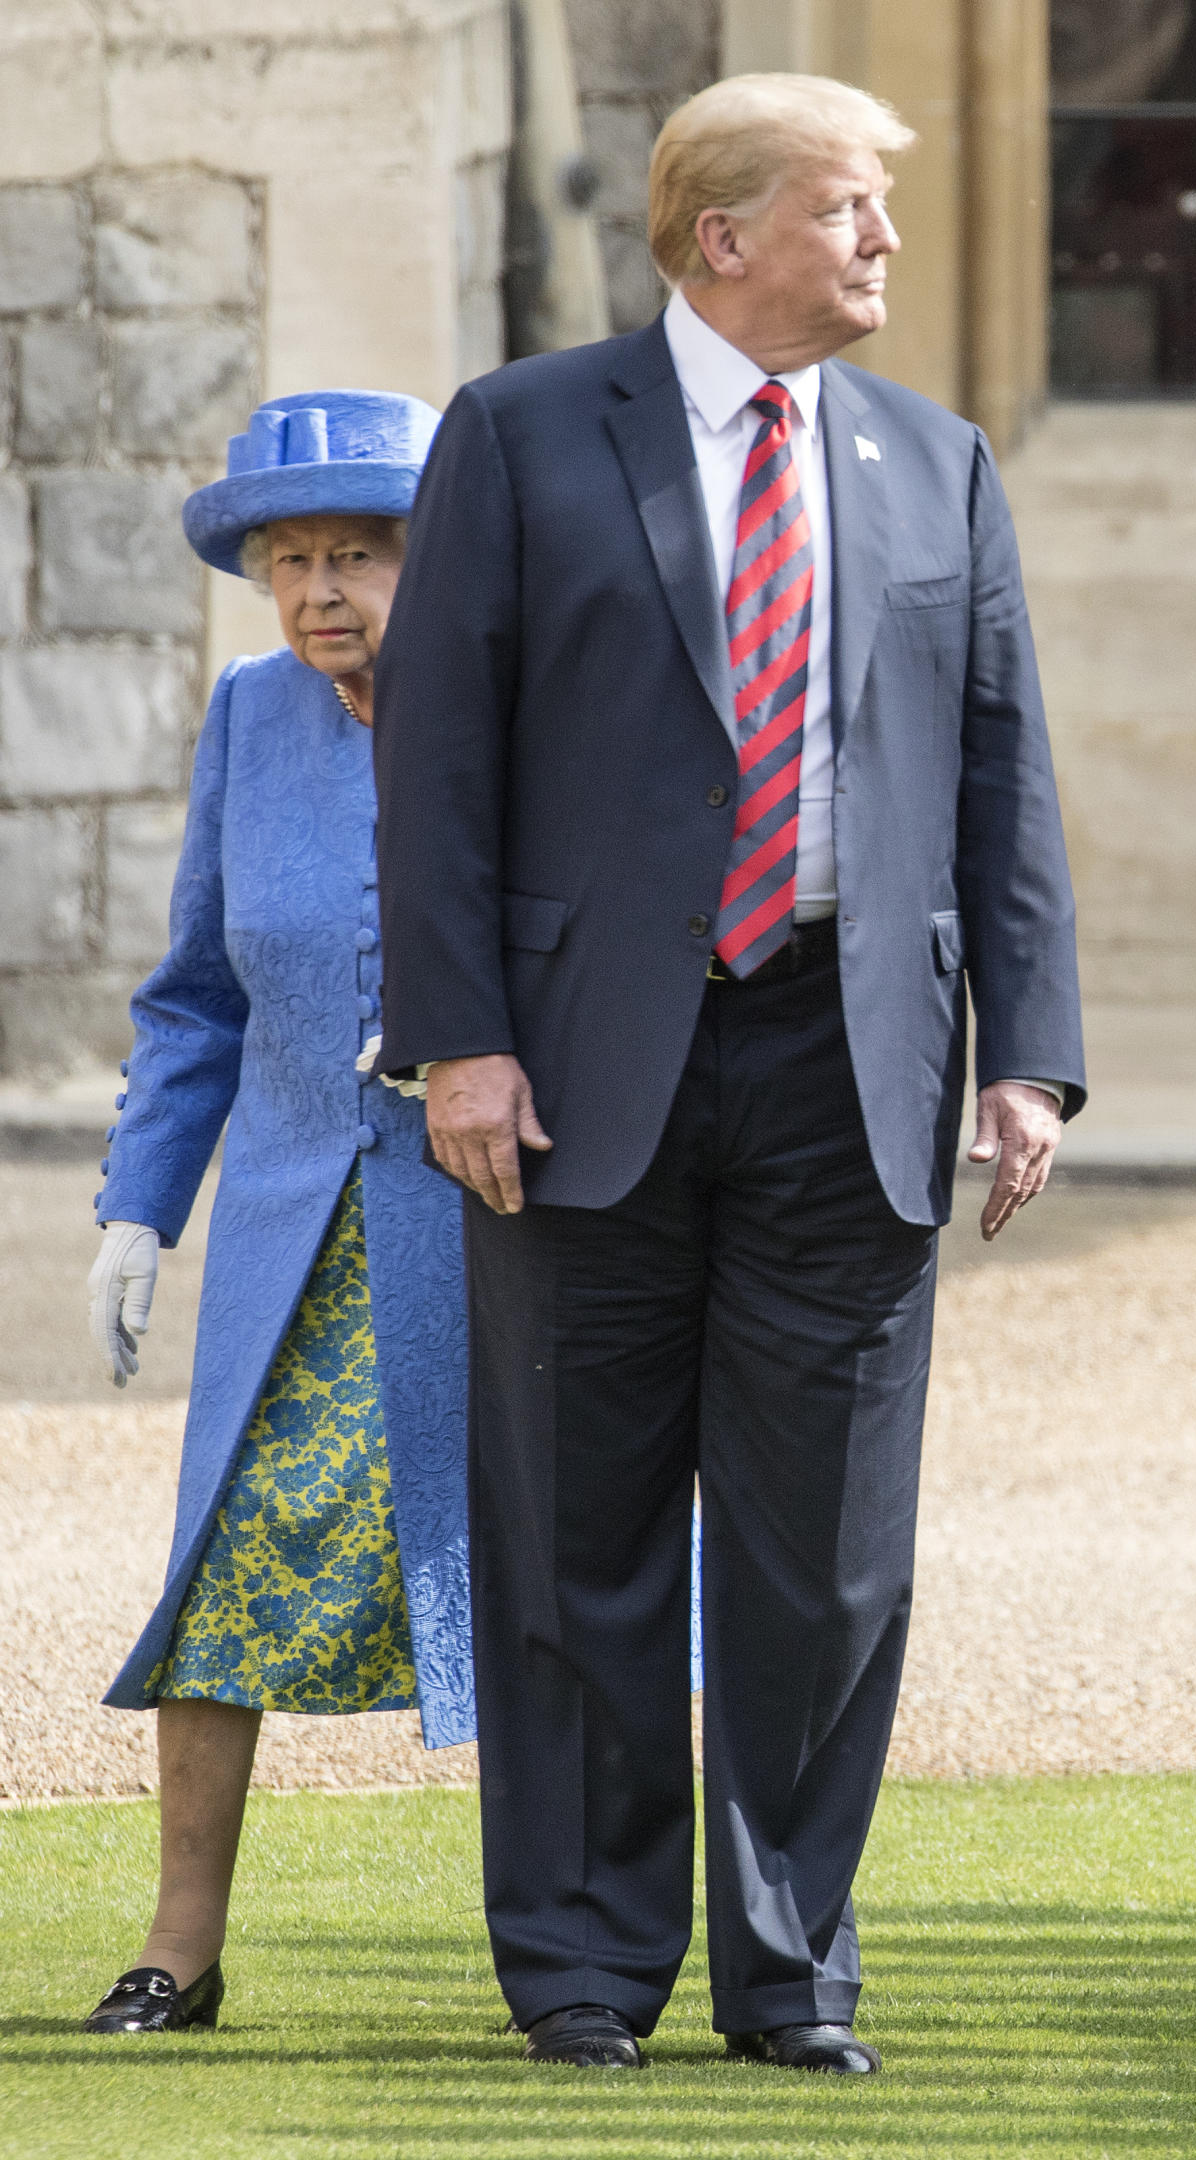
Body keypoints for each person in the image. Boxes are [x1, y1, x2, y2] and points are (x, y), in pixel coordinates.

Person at [371, 74, 1086, 2074]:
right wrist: (461, 1039)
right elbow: (434, 763)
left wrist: (1029, 1058)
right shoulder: (522, 436)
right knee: (577, 1543)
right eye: (848, 210)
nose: (879, 245)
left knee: (829, 1561)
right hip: (579, 1075)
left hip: (847, 1068)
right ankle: (589, 1972)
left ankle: (793, 1979)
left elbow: (1002, 780)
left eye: (881, 212)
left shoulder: (938, 465)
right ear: (721, 238)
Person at [82, 391, 473, 2037]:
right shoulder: (251, 717)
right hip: (291, 1239)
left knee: (546, 1584)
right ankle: (178, 1947)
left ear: (432, 557)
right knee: (226, 1577)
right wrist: (138, 1208)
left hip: (500, 1229)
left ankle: (579, 1963)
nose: (323, 589)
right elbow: (194, 1002)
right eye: (291, 558)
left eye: (361, 553)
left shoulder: (517, 704)